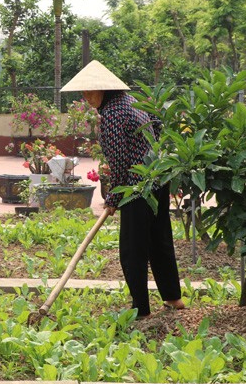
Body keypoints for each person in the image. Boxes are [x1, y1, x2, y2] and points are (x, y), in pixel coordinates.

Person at [62, 61, 185, 318]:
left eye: (88, 92)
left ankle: (140, 309)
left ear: (103, 89)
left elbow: (120, 162)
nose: (85, 98)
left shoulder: (114, 115)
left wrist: (114, 197)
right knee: (159, 240)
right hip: (157, 179)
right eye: (82, 93)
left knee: (132, 249)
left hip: (136, 187)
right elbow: (158, 127)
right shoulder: (132, 102)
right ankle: (172, 297)